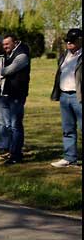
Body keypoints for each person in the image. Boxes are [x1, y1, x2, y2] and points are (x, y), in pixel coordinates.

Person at [50, 28, 82, 168]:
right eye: (67, 40)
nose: (69, 43)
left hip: (79, 97)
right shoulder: (64, 55)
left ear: (80, 40)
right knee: (67, 129)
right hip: (65, 96)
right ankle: (70, 157)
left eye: (72, 41)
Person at [0, 33, 31, 165]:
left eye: (7, 44)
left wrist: (2, 70)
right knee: (10, 125)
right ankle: (12, 151)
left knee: (15, 125)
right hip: (8, 93)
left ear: (15, 42)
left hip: (17, 94)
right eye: (3, 44)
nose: (5, 46)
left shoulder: (22, 54)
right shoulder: (10, 54)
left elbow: (7, 71)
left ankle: (17, 155)